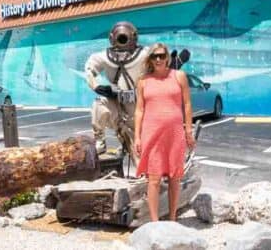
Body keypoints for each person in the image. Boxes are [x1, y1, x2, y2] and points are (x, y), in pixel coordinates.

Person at [134, 43, 196, 221]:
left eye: (161, 55)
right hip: (151, 134)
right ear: (150, 60)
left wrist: (189, 130)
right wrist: (137, 137)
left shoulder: (179, 76)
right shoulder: (143, 81)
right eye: (155, 56)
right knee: (153, 179)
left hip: (175, 134)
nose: (159, 59)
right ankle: (155, 223)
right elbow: (139, 110)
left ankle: (172, 219)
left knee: (175, 178)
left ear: (167, 57)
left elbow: (187, 105)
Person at [84, 21, 149, 162]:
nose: (122, 39)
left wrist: (175, 63)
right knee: (99, 104)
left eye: (125, 36)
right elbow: (89, 67)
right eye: (120, 37)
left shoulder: (144, 54)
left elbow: (160, 61)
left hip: (139, 112)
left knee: (141, 159)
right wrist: (95, 85)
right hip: (118, 108)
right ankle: (99, 140)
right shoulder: (105, 57)